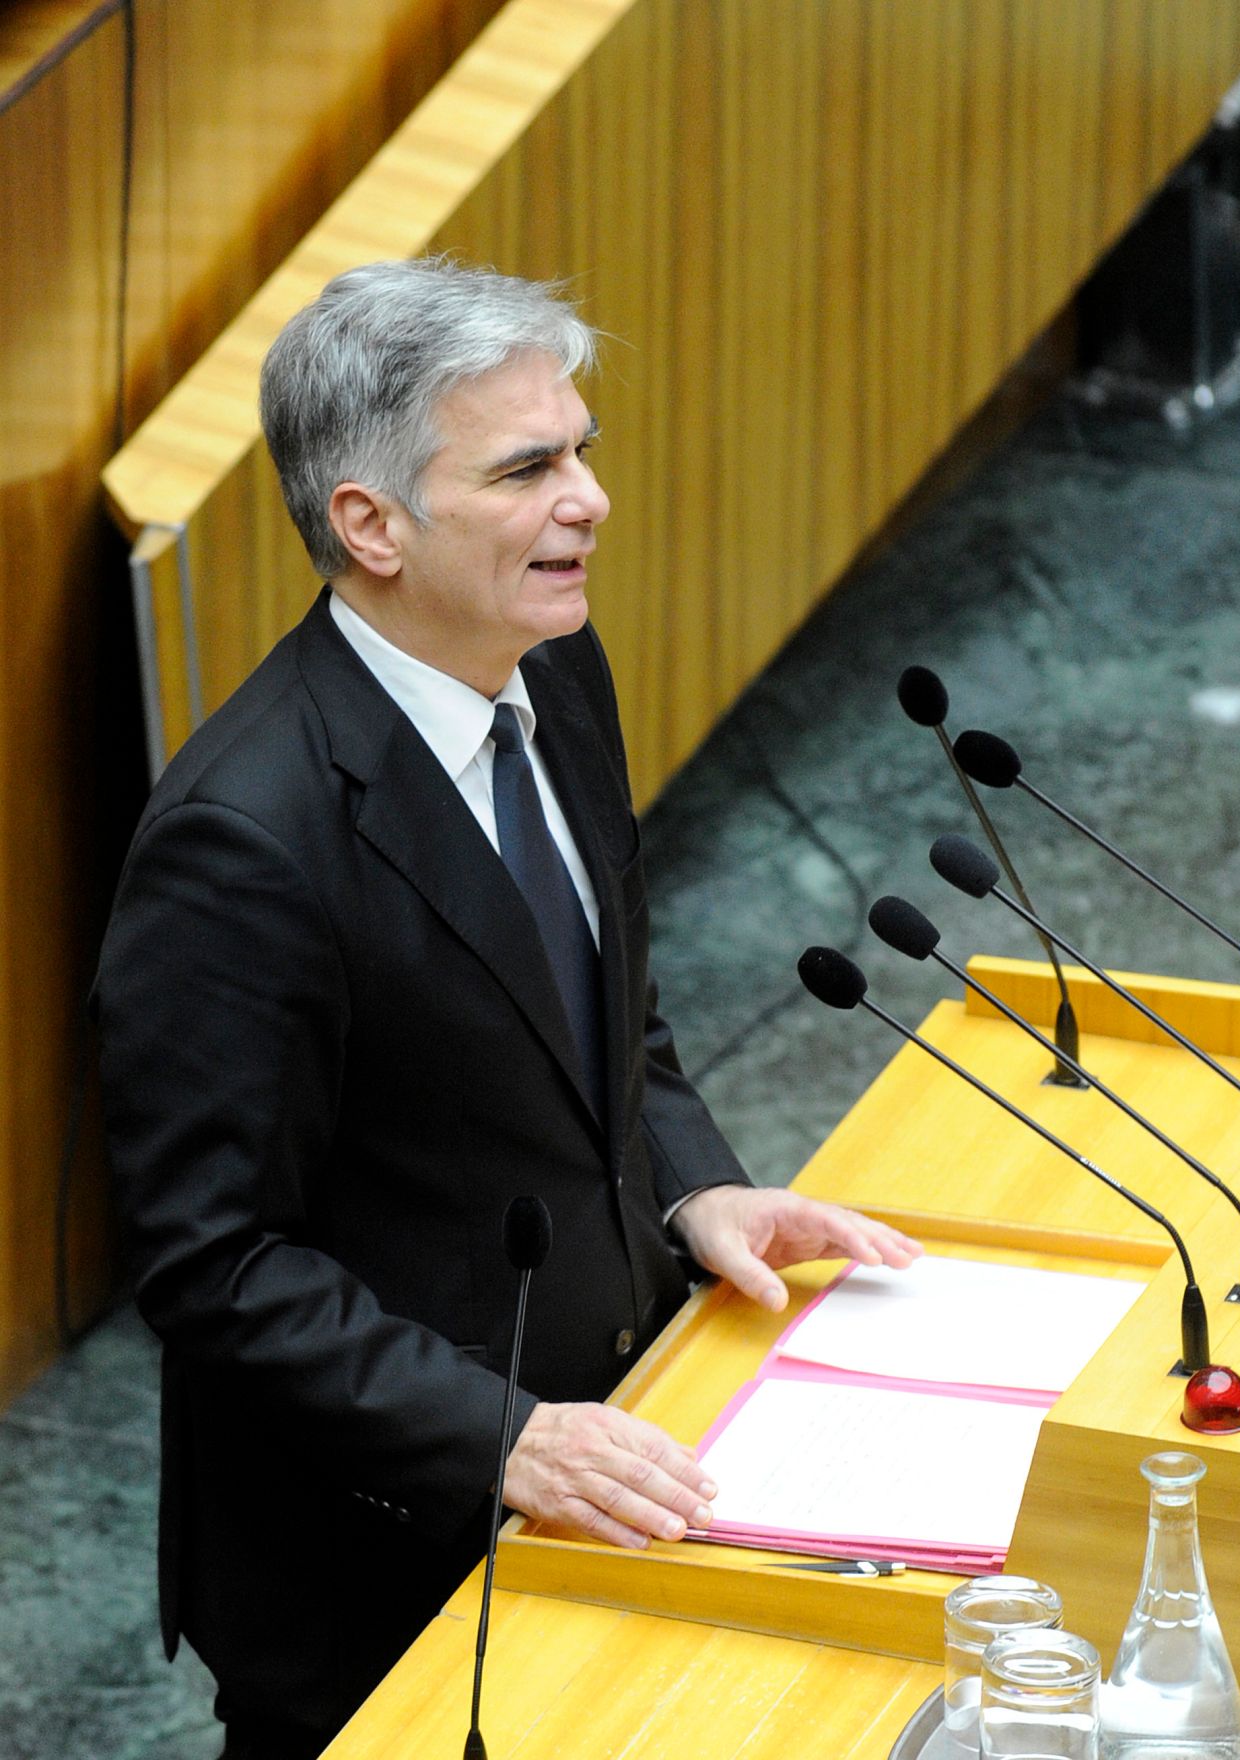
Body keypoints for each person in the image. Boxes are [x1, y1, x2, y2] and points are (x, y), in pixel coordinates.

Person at [93, 258, 919, 1758]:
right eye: (529, 469)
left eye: (582, 450)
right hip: (382, 1562)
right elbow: (212, 1265)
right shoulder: (247, 838)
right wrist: (506, 1438)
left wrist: (695, 1189)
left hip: (615, 1449)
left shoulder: (557, 664)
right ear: (371, 525)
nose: (591, 499)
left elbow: (607, 1012)